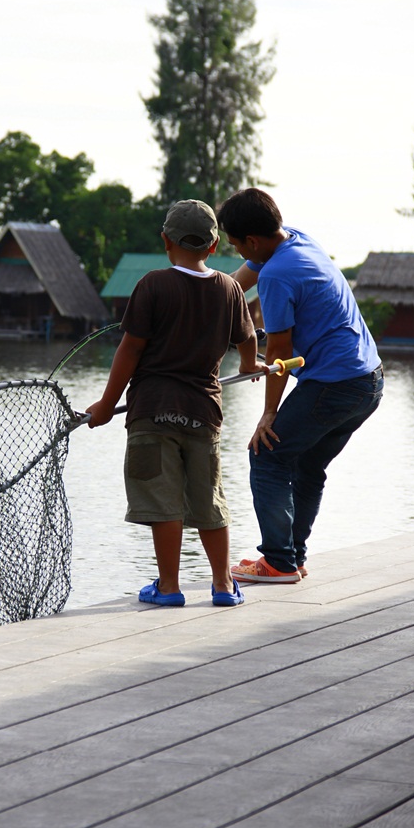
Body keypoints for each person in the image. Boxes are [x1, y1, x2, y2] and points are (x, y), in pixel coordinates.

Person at [86, 199, 266, 607]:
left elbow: (130, 352)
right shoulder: (229, 288)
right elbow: (248, 339)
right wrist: (253, 365)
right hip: (204, 415)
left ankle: (169, 588)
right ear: (214, 244)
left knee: (163, 501)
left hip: (152, 413)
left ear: (165, 241)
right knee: (208, 498)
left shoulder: (152, 284)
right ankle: (222, 585)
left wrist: (104, 405)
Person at [216, 188, 384, 583]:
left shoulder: (276, 275)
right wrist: (208, 298)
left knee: (267, 453)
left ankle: (277, 561)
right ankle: (290, 559)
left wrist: (268, 414)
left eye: (237, 245)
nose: (239, 253)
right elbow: (235, 286)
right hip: (369, 381)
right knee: (308, 464)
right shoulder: (293, 238)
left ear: (252, 241)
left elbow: (279, 353)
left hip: (335, 384)